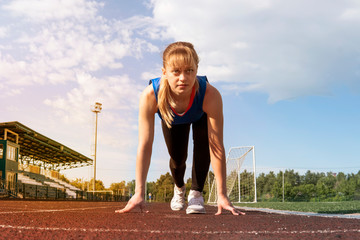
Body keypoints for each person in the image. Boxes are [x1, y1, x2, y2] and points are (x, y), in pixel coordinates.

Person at [115, 41, 245, 215]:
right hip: (172, 118)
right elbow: (145, 146)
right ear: (165, 73)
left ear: (196, 71)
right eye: (176, 71)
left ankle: (196, 193)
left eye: (189, 71)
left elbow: (216, 147)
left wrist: (222, 194)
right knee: (177, 159)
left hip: (200, 116)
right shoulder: (150, 95)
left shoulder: (210, 95)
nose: (183, 78)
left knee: (204, 146)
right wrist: (139, 192)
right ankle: (179, 187)